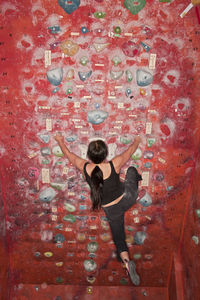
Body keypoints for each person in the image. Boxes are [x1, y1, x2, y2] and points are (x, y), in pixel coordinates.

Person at [54, 133, 142, 285]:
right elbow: (131, 150)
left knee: (119, 240)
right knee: (132, 171)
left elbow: (69, 155)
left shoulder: (85, 167)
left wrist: (60, 141)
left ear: (89, 155)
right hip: (128, 197)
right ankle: (134, 179)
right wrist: (137, 140)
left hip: (111, 209)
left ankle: (127, 262)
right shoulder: (114, 163)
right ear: (105, 154)